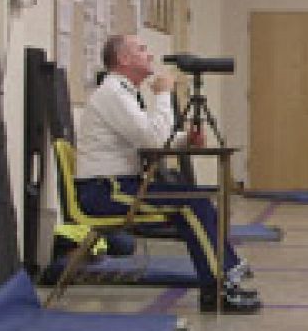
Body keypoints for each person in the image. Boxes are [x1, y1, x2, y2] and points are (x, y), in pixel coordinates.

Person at [75, 34, 260, 313]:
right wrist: (164, 95)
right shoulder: (112, 92)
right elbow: (152, 138)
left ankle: (218, 284)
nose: (149, 55)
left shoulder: (123, 92)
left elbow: (149, 136)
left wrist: (184, 139)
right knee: (189, 204)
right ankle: (221, 283)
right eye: (142, 49)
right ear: (123, 59)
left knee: (195, 199)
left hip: (121, 184)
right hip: (105, 191)